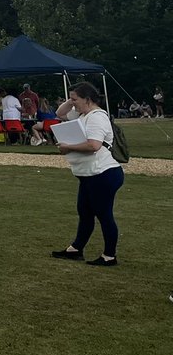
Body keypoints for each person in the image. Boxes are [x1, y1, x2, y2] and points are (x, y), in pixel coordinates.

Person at [51, 82, 124, 267]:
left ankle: (109, 255)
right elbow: (60, 113)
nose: (72, 104)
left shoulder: (97, 117)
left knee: (104, 214)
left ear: (88, 99)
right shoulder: (83, 113)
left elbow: (94, 146)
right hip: (90, 174)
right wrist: (72, 98)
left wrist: (67, 147)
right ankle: (76, 249)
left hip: (103, 173)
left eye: (75, 100)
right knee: (84, 212)